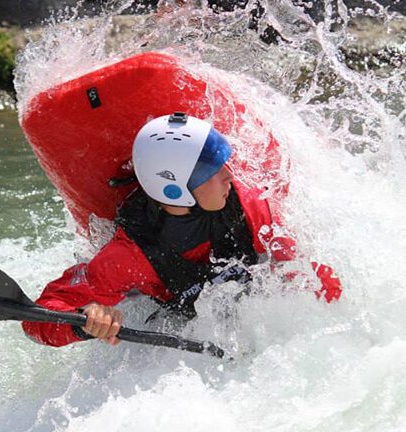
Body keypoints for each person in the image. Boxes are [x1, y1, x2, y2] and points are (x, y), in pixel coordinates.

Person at [22, 113, 341, 347]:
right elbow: (39, 317)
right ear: (174, 190)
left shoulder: (248, 203)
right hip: (180, 327)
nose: (229, 175)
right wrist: (85, 321)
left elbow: (305, 268)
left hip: (253, 313)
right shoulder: (130, 256)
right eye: (213, 171)